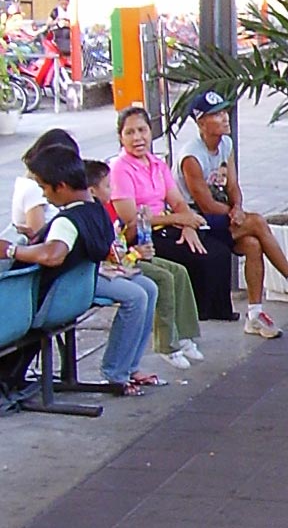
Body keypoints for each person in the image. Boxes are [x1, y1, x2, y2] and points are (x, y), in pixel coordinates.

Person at [176, 92, 288, 338]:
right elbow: (205, 203)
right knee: (257, 221)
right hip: (196, 219)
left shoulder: (226, 145)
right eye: (217, 115)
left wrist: (238, 207)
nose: (224, 118)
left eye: (224, 112)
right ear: (201, 123)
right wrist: (237, 215)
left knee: (253, 244)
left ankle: (254, 315)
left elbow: (232, 185)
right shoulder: (192, 157)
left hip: (222, 213)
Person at [0, 139, 115, 393]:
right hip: (67, 301)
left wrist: (10, 249)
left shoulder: (67, 221)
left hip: (32, 308)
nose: (43, 194)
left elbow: (54, 255)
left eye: (44, 187)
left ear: (61, 186)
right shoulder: (97, 211)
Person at [109, 106, 237, 324]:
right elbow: (132, 219)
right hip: (143, 235)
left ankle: (216, 312)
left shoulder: (157, 164)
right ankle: (195, 316)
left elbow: (177, 201)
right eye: (130, 133)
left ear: (150, 132)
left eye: (142, 130)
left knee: (219, 251)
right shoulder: (120, 168)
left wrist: (188, 225)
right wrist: (179, 219)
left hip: (169, 226)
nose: (137, 138)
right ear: (121, 138)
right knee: (200, 258)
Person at [87, 160, 206, 371]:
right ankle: (166, 344)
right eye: (107, 186)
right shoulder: (98, 213)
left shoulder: (110, 209)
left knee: (178, 271)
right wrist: (135, 253)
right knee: (161, 279)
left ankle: (185, 335)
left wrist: (137, 235)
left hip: (131, 255)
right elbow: (112, 255)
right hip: (121, 263)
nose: (112, 190)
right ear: (93, 191)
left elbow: (124, 238)